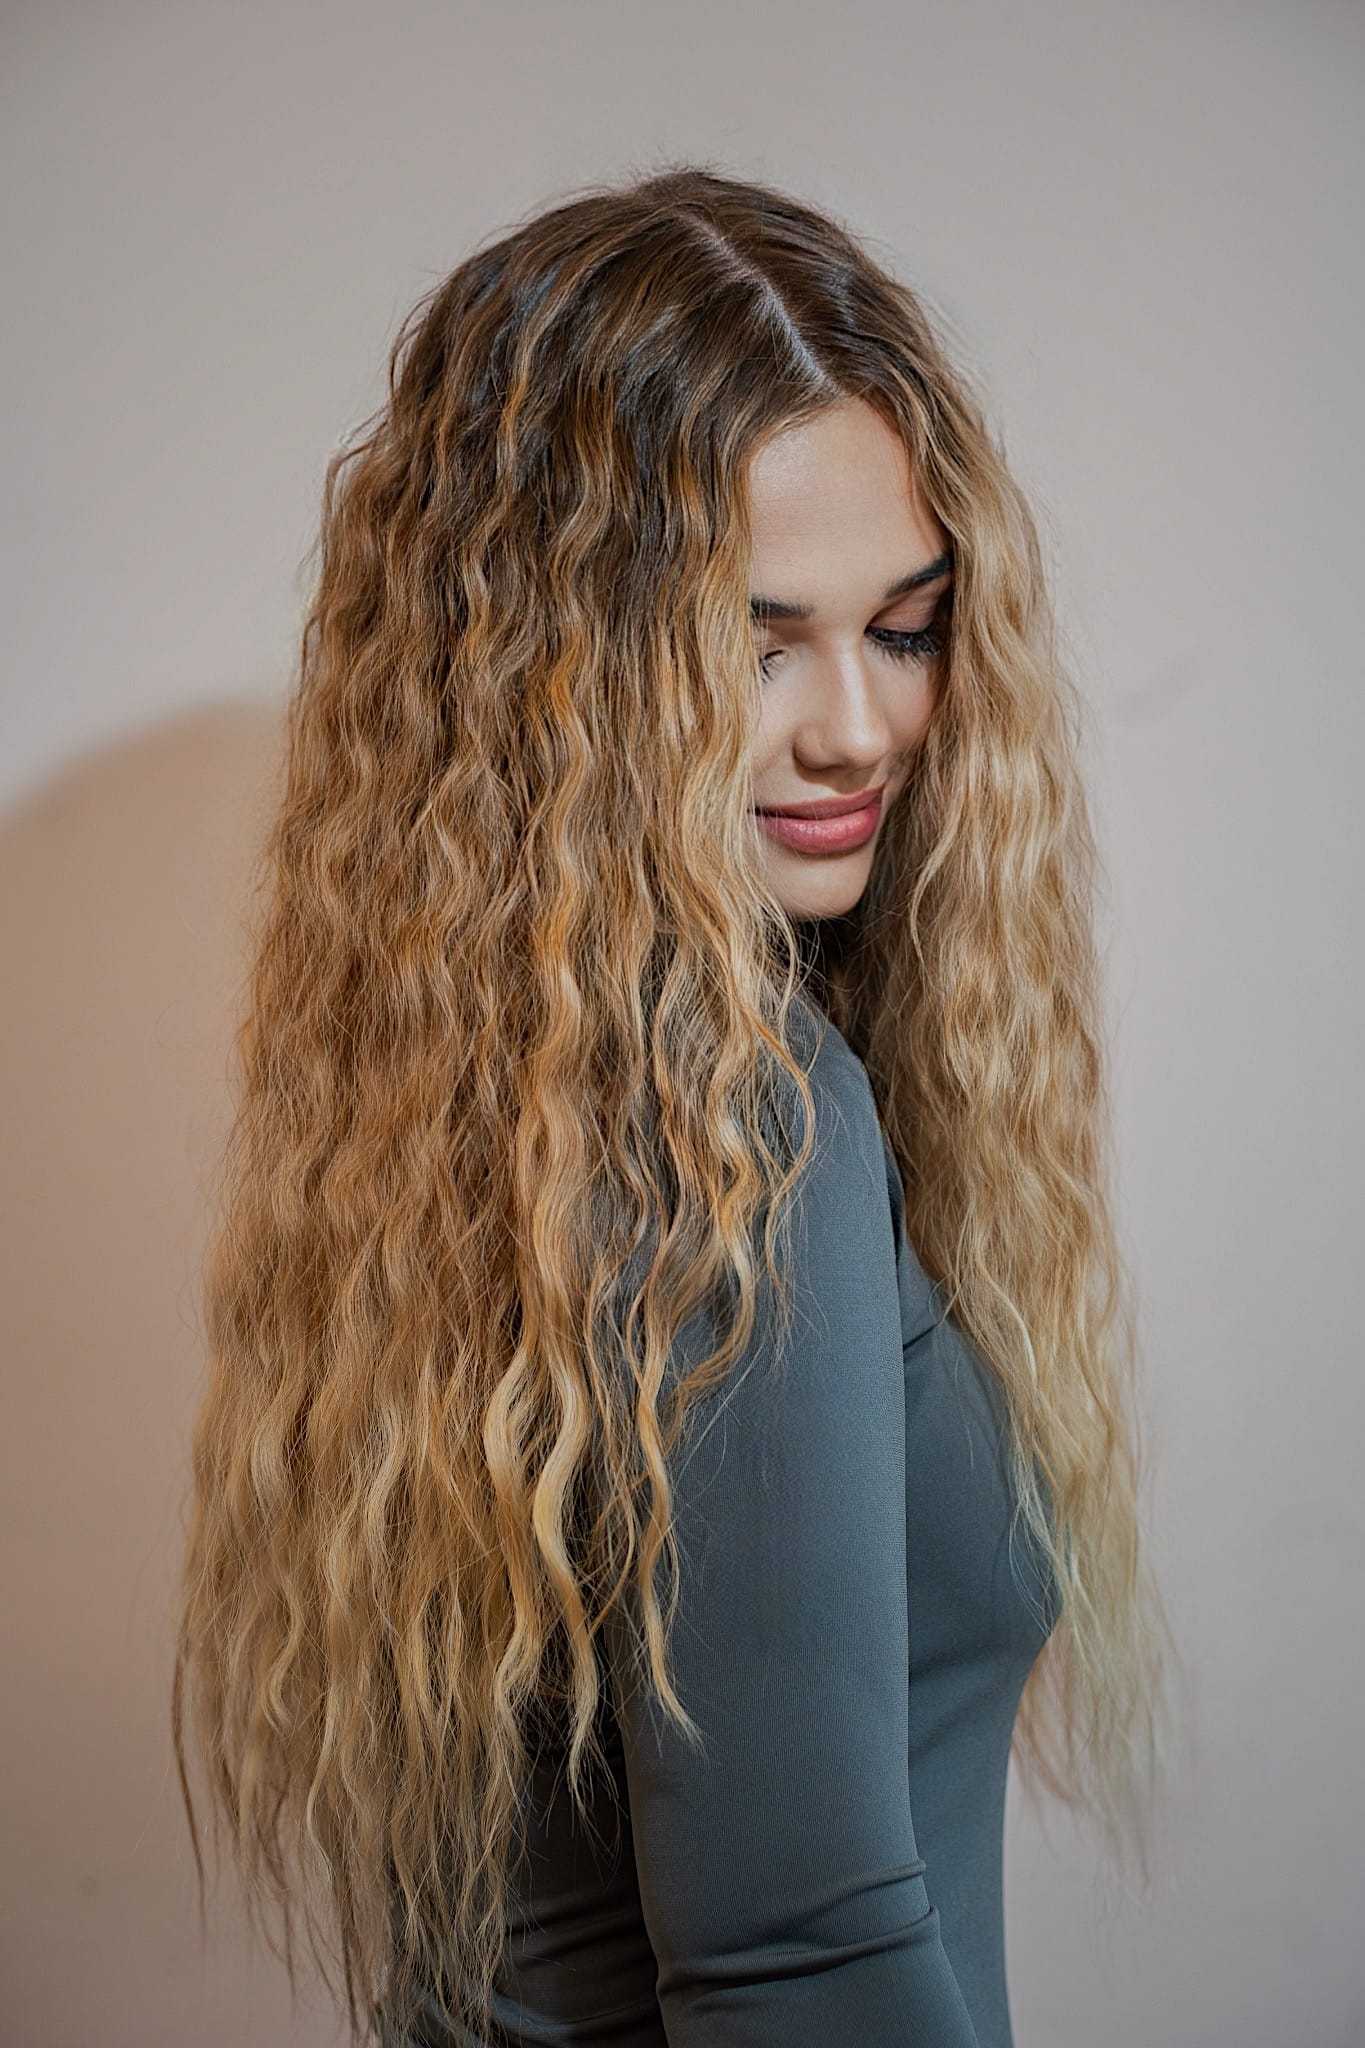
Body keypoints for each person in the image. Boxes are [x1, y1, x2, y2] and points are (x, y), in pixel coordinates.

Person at [171, 164, 1172, 2048]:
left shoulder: (500, 1096)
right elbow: (795, 1954)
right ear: (548, 674)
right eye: (749, 639)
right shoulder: (733, 1124)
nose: (855, 728)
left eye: (903, 627)